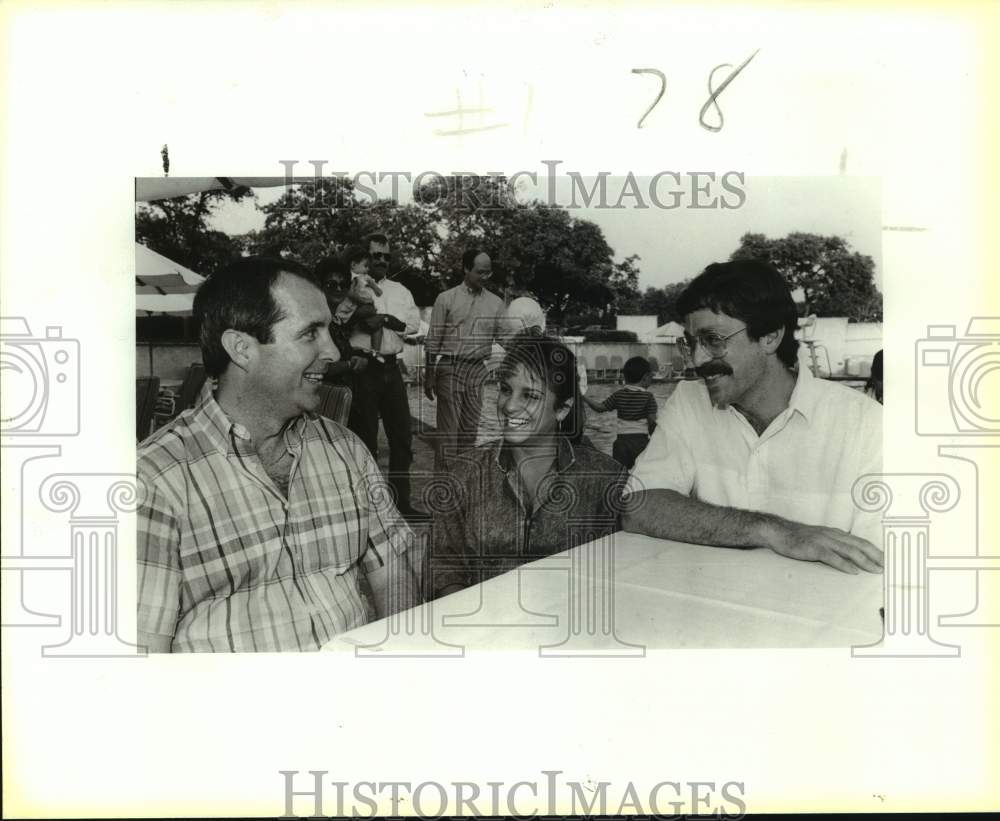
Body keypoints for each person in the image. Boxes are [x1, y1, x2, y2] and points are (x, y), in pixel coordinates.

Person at [137, 257, 420, 652]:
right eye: (310, 333)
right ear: (242, 349)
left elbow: (395, 578)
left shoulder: (346, 450)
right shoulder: (154, 483)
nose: (332, 349)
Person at [622, 259, 884, 575]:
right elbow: (637, 505)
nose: (698, 359)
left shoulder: (867, 425)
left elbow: (879, 564)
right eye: (691, 343)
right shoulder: (690, 401)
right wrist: (773, 530)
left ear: (770, 336)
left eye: (713, 340)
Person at [430, 332, 628, 599]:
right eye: (505, 389)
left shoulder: (606, 479)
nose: (510, 406)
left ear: (562, 409)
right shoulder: (462, 475)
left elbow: (617, 575)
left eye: (530, 396)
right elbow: (442, 565)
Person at [346, 232, 422, 517]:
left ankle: (402, 504)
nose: (381, 261)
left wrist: (389, 320)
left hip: (392, 367)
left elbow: (413, 324)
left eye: (386, 256)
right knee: (365, 440)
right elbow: (339, 320)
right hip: (363, 370)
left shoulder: (400, 290)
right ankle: (368, 509)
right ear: (365, 258)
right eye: (375, 255)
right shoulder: (352, 287)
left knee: (402, 438)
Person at [423, 248, 506, 471]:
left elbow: (506, 337)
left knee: (470, 434)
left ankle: (462, 494)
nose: (485, 277)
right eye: (480, 272)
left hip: (478, 370)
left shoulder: (496, 303)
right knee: (448, 437)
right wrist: (429, 375)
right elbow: (433, 340)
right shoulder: (446, 299)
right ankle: (444, 496)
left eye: (488, 273)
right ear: (466, 269)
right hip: (450, 367)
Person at [582, 355, 659, 469]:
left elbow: (600, 408)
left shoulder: (619, 395)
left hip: (621, 444)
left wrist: (584, 397)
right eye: (651, 376)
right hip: (641, 443)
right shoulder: (648, 397)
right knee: (641, 473)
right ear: (645, 377)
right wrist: (656, 439)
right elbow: (652, 422)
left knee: (620, 475)